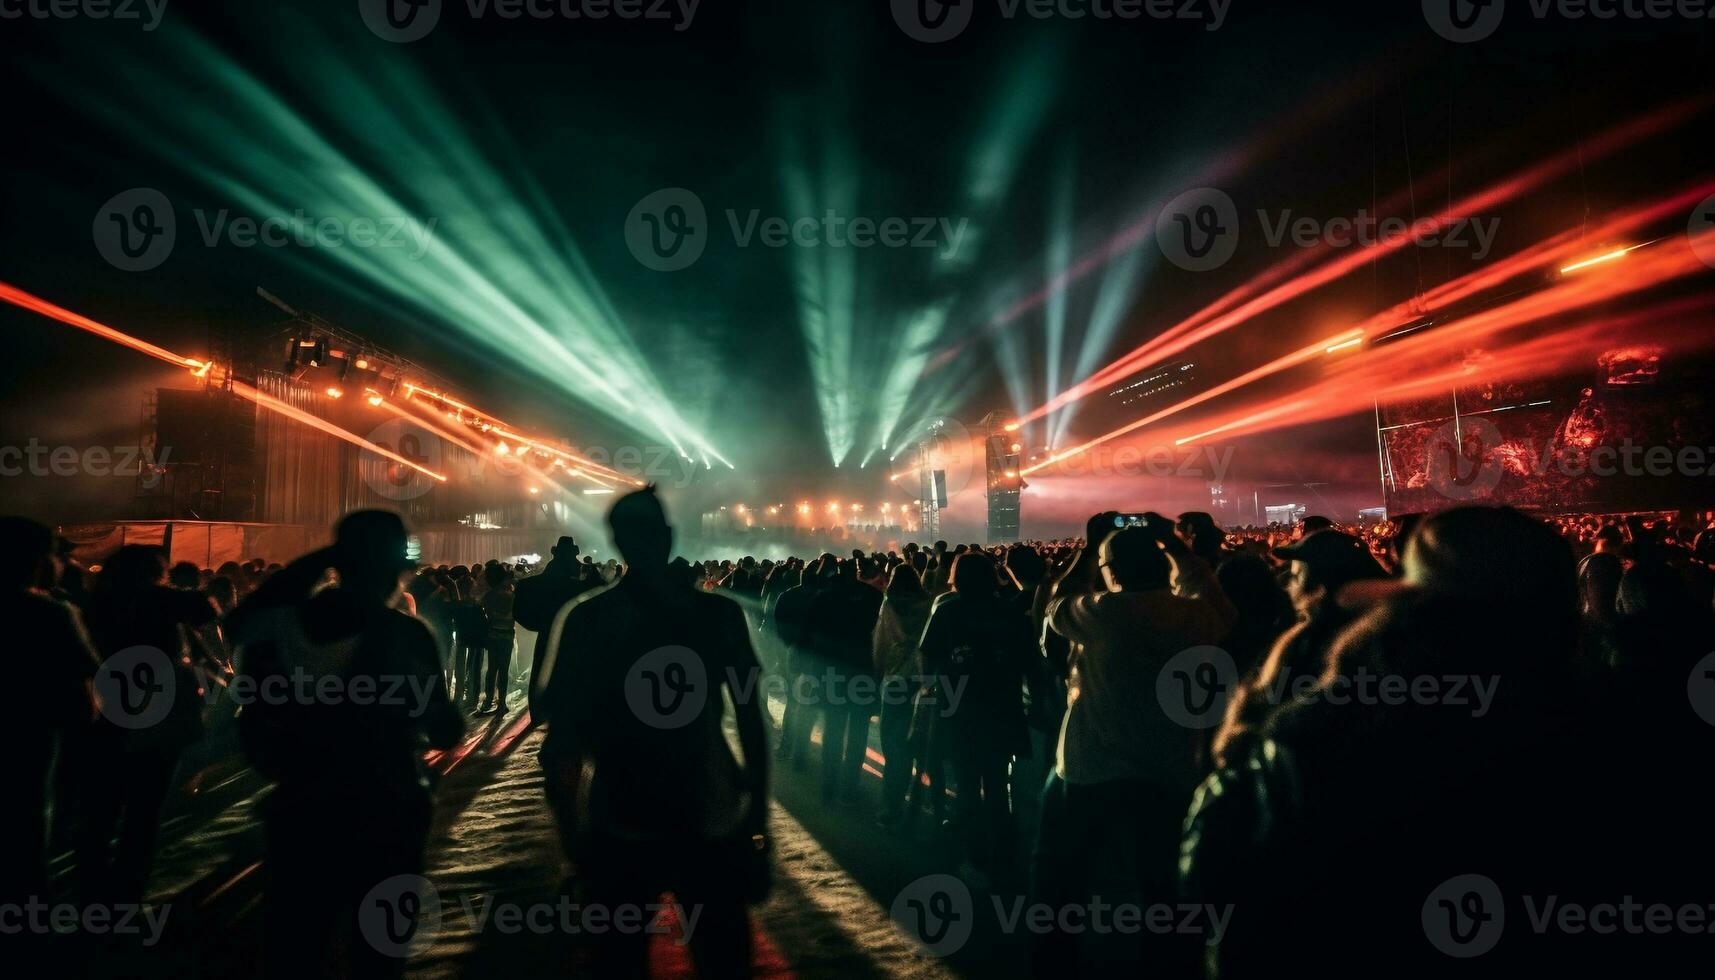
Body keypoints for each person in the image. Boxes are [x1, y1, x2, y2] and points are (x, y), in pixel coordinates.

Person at [536, 487, 770, 978]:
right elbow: (751, 717)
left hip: (621, 814)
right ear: (668, 535)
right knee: (723, 961)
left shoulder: (588, 620)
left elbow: (562, 744)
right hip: (710, 812)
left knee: (619, 963)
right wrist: (758, 817)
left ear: (616, 541)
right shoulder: (718, 615)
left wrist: (573, 840)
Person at [228, 510, 463, 980]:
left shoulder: (279, 630)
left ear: (340, 560)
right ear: (398, 567)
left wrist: (325, 557)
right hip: (387, 806)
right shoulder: (405, 634)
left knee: (297, 944)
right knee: (379, 950)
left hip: (301, 806)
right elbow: (446, 730)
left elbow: (240, 622)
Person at [1033, 515, 1236, 976]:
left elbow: (1054, 606)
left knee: (1059, 884)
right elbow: (1213, 597)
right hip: (1166, 769)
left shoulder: (1100, 612)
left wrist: (1086, 552)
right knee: (1161, 893)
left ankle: (1054, 967)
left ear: (1111, 570)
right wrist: (1175, 546)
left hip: (1088, 769)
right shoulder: (1195, 615)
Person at [72, 543, 219, 906]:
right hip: (157, 703)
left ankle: (90, 886)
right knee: (145, 806)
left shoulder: (94, 602)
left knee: (99, 804)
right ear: (156, 572)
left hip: (105, 702)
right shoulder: (162, 600)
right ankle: (127, 890)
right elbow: (206, 607)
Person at [0, 518, 98, 912]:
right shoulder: (50, 613)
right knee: (25, 837)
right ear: (39, 560)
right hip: (29, 742)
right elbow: (86, 685)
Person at [919, 550, 1033, 878]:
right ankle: (1003, 856)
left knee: (967, 784)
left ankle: (975, 855)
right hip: (1001, 709)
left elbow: (927, 655)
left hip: (959, 710)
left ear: (957, 577)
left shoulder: (946, 609)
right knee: (997, 784)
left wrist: (931, 692)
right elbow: (1029, 661)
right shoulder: (1008, 611)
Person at [808, 556, 883, 805]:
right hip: (861, 668)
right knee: (858, 729)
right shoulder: (872, 596)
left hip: (831, 670)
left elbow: (811, 636)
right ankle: (850, 785)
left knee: (833, 728)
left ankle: (828, 784)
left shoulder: (823, 597)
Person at [871, 562, 932, 825]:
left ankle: (892, 806)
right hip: (922, 680)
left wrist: (878, 673)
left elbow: (880, 644)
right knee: (919, 742)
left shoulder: (889, 605)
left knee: (893, 745)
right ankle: (919, 803)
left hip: (895, 679)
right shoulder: (929, 605)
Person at [516, 535, 594, 718]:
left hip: (548, 634)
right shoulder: (577, 582)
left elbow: (522, 613)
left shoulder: (537, 582)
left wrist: (540, 624)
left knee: (542, 671)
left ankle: (539, 711)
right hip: (573, 638)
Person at [478, 564, 516, 714]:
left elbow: (488, 615)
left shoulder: (489, 596)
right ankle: (502, 703)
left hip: (492, 635)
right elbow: (512, 615)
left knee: (492, 668)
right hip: (507, 635)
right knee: (504, 670)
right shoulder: (512, 595)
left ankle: (488, 701)